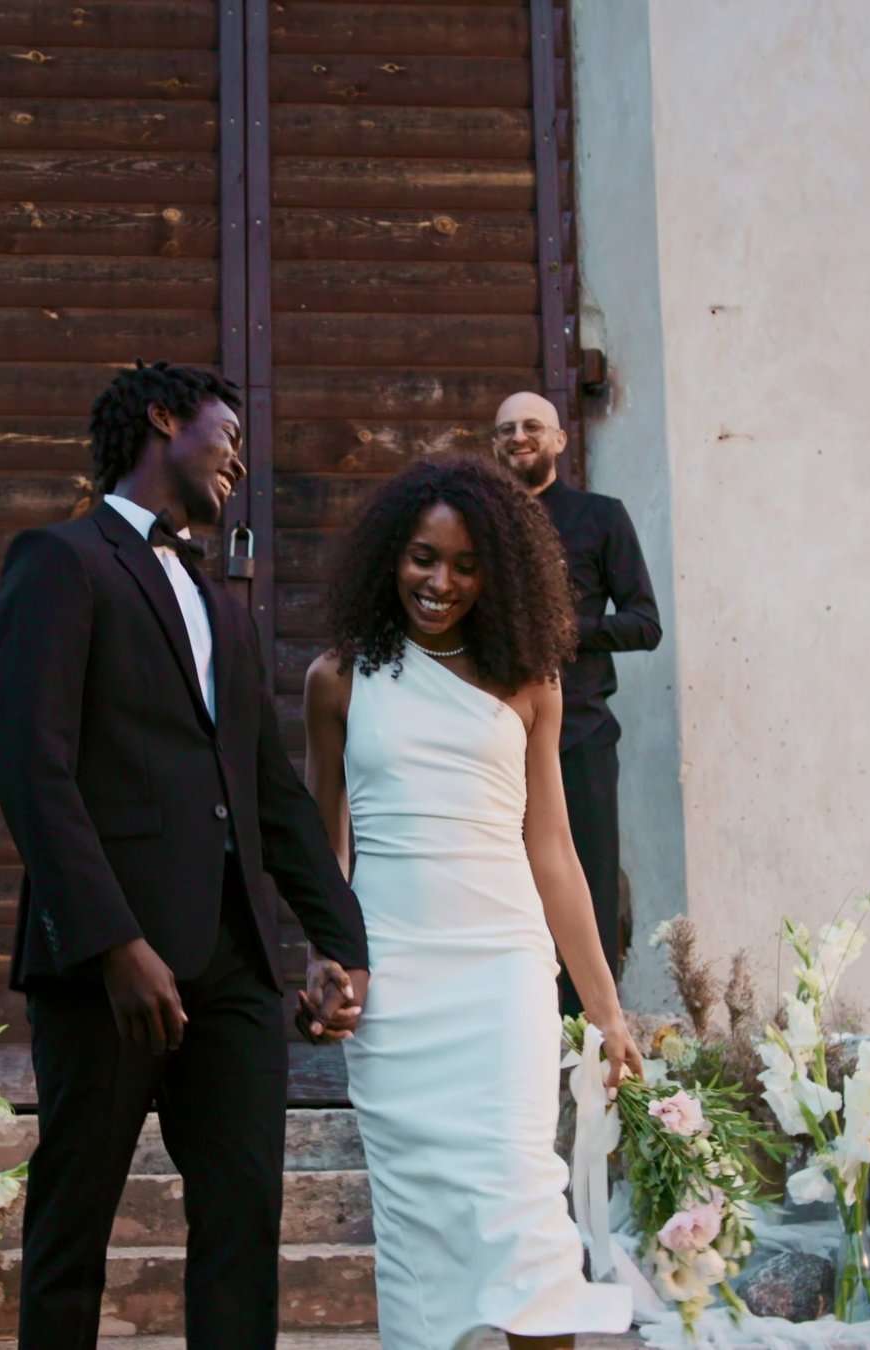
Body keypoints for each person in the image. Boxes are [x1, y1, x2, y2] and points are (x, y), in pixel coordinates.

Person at [0, 362, 372, 1350]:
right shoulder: (60, 560)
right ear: (164, 419)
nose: (239, 457)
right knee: (72, 1228)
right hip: (106, 968)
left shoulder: (224, 603)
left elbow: (272, 792)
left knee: (243, 1223)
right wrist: (114, 943)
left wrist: (341, 941)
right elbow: (34, 768)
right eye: (226, 432)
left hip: (236, 966)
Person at [301, 454, 642, 1350]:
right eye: (422, 558)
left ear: (499, 572)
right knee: (417, 1228)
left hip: (502, 972)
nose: (440, 581)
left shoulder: (532, 683)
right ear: (391, 558)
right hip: (397, 982)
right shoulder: (336, 681)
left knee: (524, 1204)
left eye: (463, 564)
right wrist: (323, 960)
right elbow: (324, 854)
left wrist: (605, 1010)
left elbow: (554, 851)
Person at [492, 392, 661, 1014]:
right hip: (494, 743)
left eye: (532, 426)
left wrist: (564, 632)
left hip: (581, 737)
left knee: (585, 886)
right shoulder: (476, 525)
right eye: (505, 429)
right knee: (506, 891)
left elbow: (646, 623)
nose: (518, 437)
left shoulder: (602, 516)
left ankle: (587, 1042)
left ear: (560, 440)